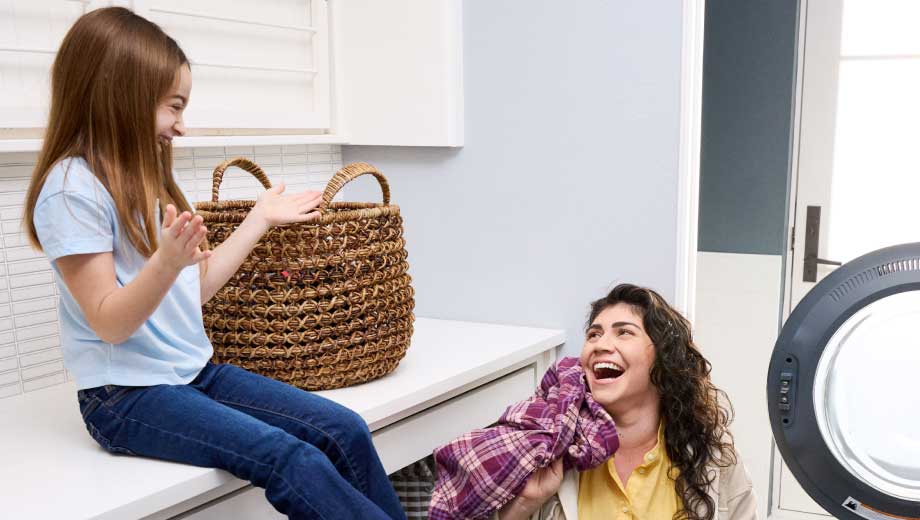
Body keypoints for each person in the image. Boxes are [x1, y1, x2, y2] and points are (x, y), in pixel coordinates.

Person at [22, 7, 405, 520]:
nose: (181, 125)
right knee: (290, 458)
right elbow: (108, 322)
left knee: (344, 429)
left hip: (192, 375)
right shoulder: (70, 191)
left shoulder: (145, 182)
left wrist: (259, 219)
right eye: (173, 106)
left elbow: (192, 292)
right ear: (121, 96)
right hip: (124, 399)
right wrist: (165, 262)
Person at [497, 284, 756, 520]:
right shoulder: (550, 450)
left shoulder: (715, 456)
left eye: (624, 333)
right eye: (593, 335)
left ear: (663, 357)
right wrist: (524, 504)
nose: (601, 345)